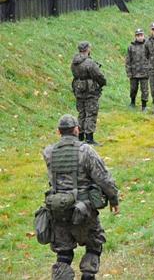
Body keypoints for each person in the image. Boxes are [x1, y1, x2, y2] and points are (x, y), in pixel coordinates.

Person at [42, 114, 119, 280]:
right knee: (94, 244)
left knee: (63, 253)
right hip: (84, 210)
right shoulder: (86, 151)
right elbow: (103, 178)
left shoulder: (49, 152)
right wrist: (113, 198)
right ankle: (88, 275)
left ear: (58, 132)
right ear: (77, 130)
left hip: (58, 210)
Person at [70, 42, 107, 146]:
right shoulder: (89, 63)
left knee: (81, 113)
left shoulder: (74, 62)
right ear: (88, 49)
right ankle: (89, 138)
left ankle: (80, 137)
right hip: (90, 91)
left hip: (78, 90)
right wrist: (103, 83)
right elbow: (98, 75)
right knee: (91, 113)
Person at [125, 28, 149, 111]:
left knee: (145, 90)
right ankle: (132, 102)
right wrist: (129, 72)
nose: (140, 37)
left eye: (141, 35)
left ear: (143, 35)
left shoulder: (147, 45)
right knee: (133, 89)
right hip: (134, 72)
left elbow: (151, 58)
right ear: (135, 36)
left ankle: (144, 106)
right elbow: (128, 61)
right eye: (138, 35)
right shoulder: (130, 47)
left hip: (145, 72)